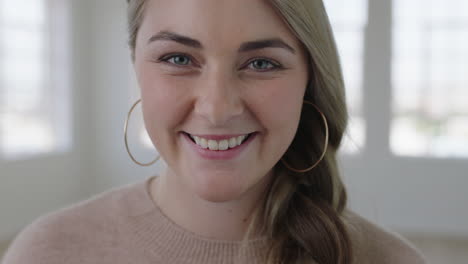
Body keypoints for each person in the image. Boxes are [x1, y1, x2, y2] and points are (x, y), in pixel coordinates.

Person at [2, 0, 427, 263]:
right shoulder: (48, 252)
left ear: (310, 81)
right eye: (178, 58)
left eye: (261, 63)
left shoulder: (390, 260)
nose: (218, 109)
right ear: (136, 65)